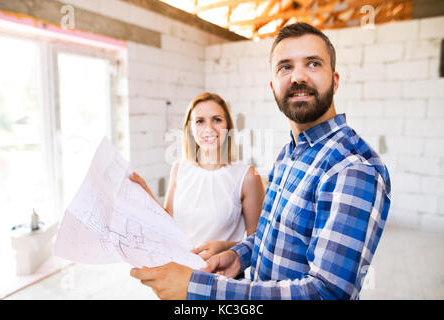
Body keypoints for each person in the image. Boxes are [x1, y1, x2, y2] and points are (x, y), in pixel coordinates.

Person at [130, 22, 391, 300]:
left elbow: (326, 293)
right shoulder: (288, 154)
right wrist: (238, 256)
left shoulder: (352, 167)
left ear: (335, 81)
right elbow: (269, 235)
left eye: (313, 64)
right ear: (273, 86)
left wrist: (195, 289)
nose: (298, 77)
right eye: (285, 67)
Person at [130, 92, 265, 261]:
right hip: (180, 269)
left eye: (217, 119)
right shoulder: (179, 168)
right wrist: (145, 193)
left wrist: (225, 248)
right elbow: (168, 222)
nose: (208, 128)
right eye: (200, 121)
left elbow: (259, 243)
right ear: (191, 129)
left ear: (228, 126)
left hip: (223, 277)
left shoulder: (247, 176)